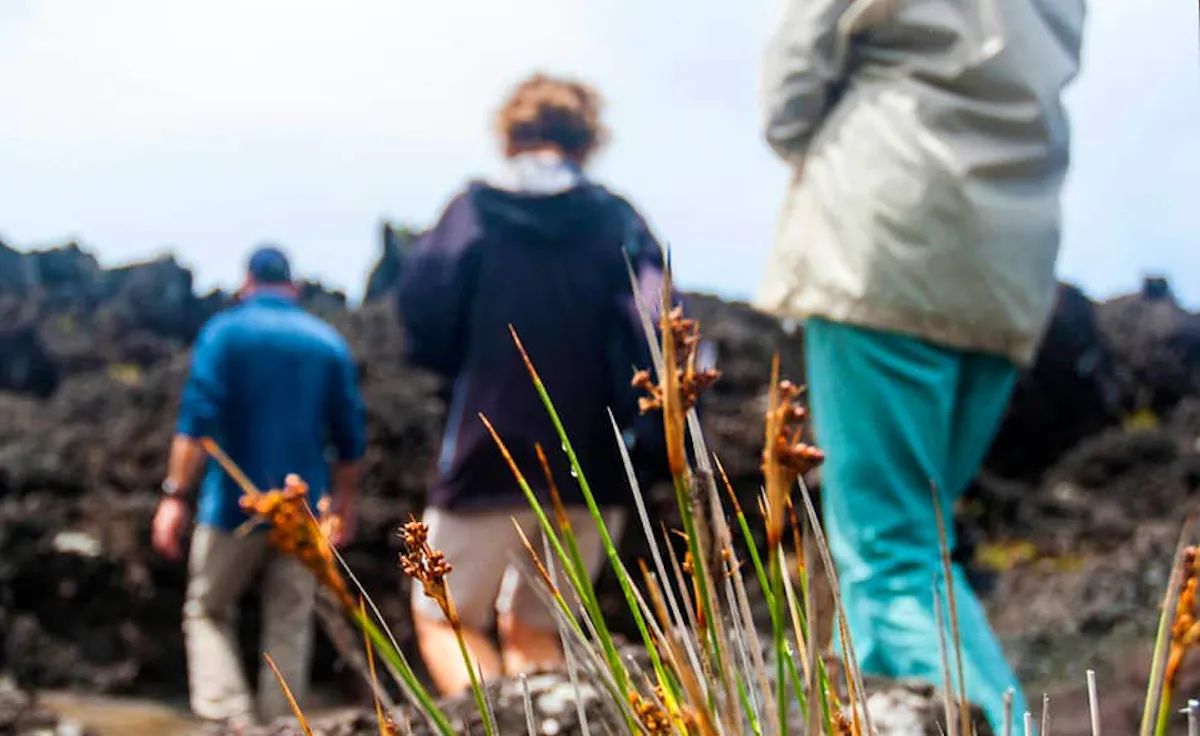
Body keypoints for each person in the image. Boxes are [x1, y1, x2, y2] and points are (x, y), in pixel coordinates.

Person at [755, 0, 1085, 731]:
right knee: (919, 544)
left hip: (889, 229)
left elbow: (789, 93)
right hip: (1010, 259)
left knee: (890, 551)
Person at [398, 72, 668, 696]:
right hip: (595, 464)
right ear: (587, 138)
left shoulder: (473, 211)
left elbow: (425, 310)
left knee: (445, 616)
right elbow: (658, 328)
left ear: (511, 133)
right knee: (536, 626)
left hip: (486, 451)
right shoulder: (618, 219)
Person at [151, 245, 367, 730]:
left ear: (247, 283)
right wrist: (345, 505)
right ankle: (282, 725)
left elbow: (197, 421)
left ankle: (231, 720)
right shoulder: (326, 342)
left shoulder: (224, 334)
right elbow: (350, 435)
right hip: (304, 508)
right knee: (290, 619)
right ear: (293, 286)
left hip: (232, 505)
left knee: (207, 610)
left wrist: (174, 496)